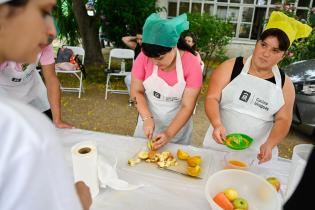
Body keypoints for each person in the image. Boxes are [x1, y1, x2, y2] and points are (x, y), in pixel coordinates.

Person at [0, 0, 91, 209]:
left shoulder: (43, 43)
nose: (51, 29)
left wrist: (56, 119)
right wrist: (77, 203)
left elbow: (51, 79)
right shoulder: (10, 128)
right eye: (42, 12)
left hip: (31, 92)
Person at [203, 11, 312, 164]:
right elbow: (212, 97)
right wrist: (217, 124)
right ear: (257, 43)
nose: (265, 54)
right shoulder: (230, 67)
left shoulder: (285, 85)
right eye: (263, 45)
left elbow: (283, 119)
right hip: (219, 144)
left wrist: (270, 144)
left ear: (283, 55)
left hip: (255, 154)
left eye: (275, 50)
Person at [131, 13, 202, 149]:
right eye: (150, 57)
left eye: (160, 58)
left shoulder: (192, 63)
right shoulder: (143, 57)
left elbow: (188, 106)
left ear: (174, 46)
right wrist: (146, 118)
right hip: (147, 124)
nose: (154, 62)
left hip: (177, 129)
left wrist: (169, 133)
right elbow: (135, 92)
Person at [0, 44, 74, 128]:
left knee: (47, 125)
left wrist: (57, 120)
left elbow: (51, 79)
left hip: (33, 88)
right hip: (5, 93)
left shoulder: (45, 41)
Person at [122, 29, 142, 96]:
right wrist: (136, 37)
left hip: (148, 73)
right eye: (137, 39)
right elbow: (124, 39)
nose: (139, 41)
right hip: (137, 72)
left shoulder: (151, 48)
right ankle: (134, 98)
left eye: (141, 39)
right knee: (128, 79)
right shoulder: (136, 47)